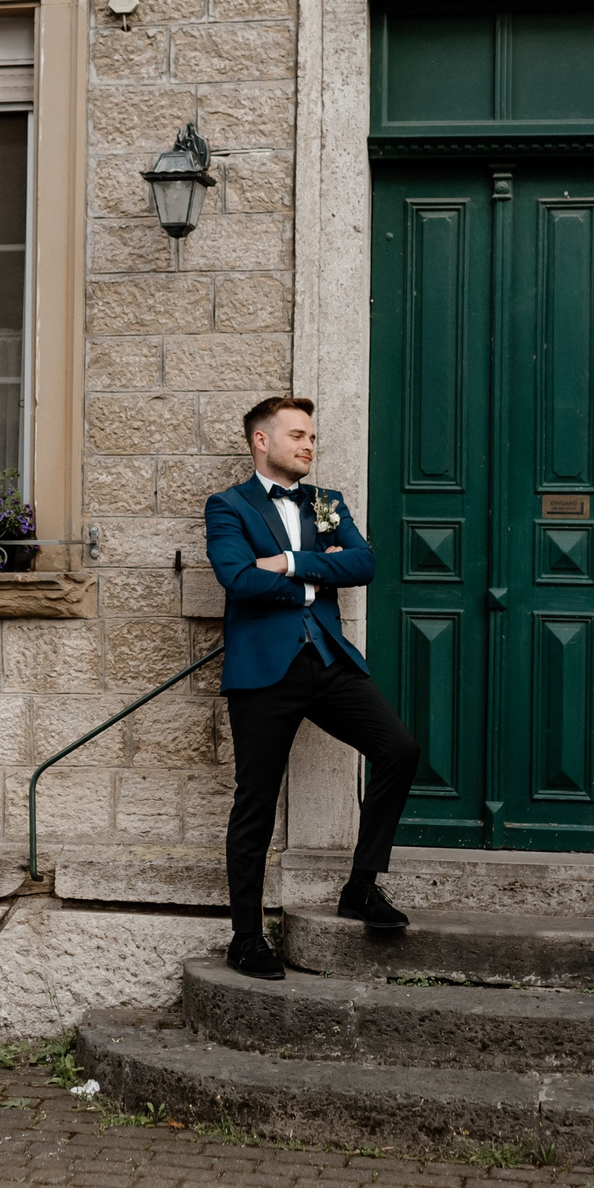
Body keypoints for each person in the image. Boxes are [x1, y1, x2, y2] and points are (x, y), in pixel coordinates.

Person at [205, 396, 422, 982]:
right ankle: (246, 937)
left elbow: (363, 565)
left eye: (312, 437)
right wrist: (312, 575)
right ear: (261, 440)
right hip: (263, 671)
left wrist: (285, 562)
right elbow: (237, 578)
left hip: (327, 660)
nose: (308, 445)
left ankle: (360, 887)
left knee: (399, 749)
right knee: (255, 802)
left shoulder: (327, 503)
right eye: (297, 435)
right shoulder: (228, 506)